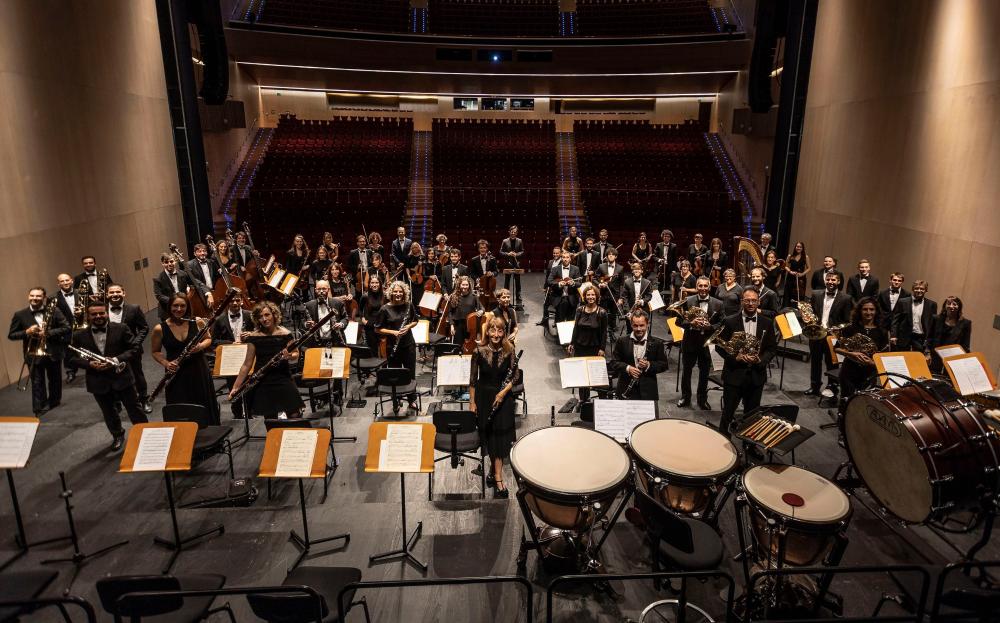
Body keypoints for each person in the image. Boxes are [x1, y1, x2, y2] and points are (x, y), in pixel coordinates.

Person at [67, 301, 148, 450]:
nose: (98, 316)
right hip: (97, 379)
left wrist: (116, 360)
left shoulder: (121, 328)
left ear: (106, 313)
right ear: (88, 316)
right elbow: (70, 358)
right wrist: (89, 364)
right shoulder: (79, 335)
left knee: (134, 409)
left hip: (122, 376)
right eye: (94, 314)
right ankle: (117, 435)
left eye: (101, 313)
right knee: (109, 412)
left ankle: (145, 433)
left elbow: (134, 349)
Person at [716, 288, 777, 435]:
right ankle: (723, 439)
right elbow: (719, 346)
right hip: (734, 374)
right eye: (747, 300)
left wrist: (760, 360)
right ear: (742, 301)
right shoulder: (729, 321)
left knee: (752, 416)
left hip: (756, 375)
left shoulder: (767, 322)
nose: (750, 303)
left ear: (759, 302)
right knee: (728, 413)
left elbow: (771, 348)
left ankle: (749, 444)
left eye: (754, 300)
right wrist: (735, 357)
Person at [150, 293, 219, 424]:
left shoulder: (197, 321)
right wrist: (166, 363)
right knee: (180, 405)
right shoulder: (160, 329)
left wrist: (200, 346)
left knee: (202, 401)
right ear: (169, 307)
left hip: (198, 369)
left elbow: (208, 339)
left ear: (188, 307)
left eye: (183, 306)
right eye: (175, 306)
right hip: (176, 372)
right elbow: (155, 351)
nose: (179, 309)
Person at [469, 317, 518, 498]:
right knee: (490, 437)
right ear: (487, 332)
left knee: (500, 438)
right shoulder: (478, 351)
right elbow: (473, 380)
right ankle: (494, 472)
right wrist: (472, 402)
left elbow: (515, 377)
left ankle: (497, 476)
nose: (496, 334)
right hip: (484, 398)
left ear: (504, 332)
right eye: (493, 330)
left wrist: (502, 393)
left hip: (503, 398)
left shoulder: (509, 350)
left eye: (500, 330)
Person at [229, 301, 305, 418]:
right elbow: (247, 364)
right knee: (270, 418)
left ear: (274, 315)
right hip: (262, 380)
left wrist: (289, 356)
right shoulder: (254, 337)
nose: (264, 319)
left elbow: (296, 353)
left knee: (294, 414)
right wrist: (236, 387)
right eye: (260, 317)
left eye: (267, 315)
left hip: (283, 377)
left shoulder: (285, 334)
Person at [8, 287, 70, 415]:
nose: (34, 298)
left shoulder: (54, 310)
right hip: (33, 353)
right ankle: (39, 407)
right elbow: (12, 335)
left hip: (53, 351)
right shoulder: (20, 315)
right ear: (28, 296)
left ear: (44, 297)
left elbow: (66, 327)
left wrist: (48, 333)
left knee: (55, 379)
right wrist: (27, 332)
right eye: (32, 295)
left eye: (38, 296)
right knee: (37, 382)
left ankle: (54, 401)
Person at [804, 272, 853, 398]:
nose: (830, 282)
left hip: (832, 335)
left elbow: (847, 320)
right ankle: (814, 386)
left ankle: (832, 387)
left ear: (839, 282)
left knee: (832, 363)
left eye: (834, 280)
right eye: (828, 279)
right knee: (815, 361)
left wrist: (837, 329)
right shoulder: (815, 294)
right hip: (816, 333)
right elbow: (811, 313)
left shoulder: (846, 298)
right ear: (825, 280)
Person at [375, 281, 420, 413]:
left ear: (404, 293)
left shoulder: (409, 305)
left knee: (410, 373)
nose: (398, 294)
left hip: (408, 345)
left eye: (400, 291)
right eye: (395, 291)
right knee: (395, 374)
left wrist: (408, 326)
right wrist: (393, 332)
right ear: (391, 293)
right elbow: (377, 329)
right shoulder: (384, 309)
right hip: (392, 346)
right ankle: (396, 399)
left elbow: (415, 320)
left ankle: (411, 399)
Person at [678, 277, 723, 410]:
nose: (703, 288)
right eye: (700, 286)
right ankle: (685, 397)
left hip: (706, 343)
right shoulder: (688, 301)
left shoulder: (718, 304)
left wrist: (710, 327)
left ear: (709, 287)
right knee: (687, 371)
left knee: (704, 373)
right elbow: (678, 321)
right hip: (690, 342)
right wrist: (690, 323)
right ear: (696, 287)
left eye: (705, 286)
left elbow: (722, 323)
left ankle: (702, 399)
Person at [106, 284, 152, 413]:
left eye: (118, 292)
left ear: (123, 293)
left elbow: (144, 328)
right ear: (107, 295)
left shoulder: (134, 309)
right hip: (111, 351)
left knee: (137, 375)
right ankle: (117, 402)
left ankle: (144, 400)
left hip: (132, 350)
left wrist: (134, 343)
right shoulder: (102, 310)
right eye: (111, 292)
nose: (115, 294)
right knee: (112, 376)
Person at [836, 297, 890, 405]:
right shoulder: (850, 328)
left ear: (876, 311)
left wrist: (871, 362)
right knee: (846, 402)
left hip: (869, 372)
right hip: (849, 371)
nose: (868, 312)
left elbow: (884, 357)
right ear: (859, 311)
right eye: (865, 309)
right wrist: (851, 354)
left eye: (872, 309)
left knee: (864, 404)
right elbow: (836, 348)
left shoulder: (882, 332)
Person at [608, 310, 668, 400]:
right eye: (635, 325)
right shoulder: (622, 341)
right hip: (625, 387)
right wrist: (628, 368)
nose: (639, 329)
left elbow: (664, 365)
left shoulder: (657, 343)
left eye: (642, 325)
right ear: (631, 325)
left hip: (648, 391)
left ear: (647, 324)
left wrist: (649, 365)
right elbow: (613, 362)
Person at [211, 292, 255, 418]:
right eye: (231, 301)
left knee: (250, 386)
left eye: (237, 300)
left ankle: (250, 413)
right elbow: (214, 342)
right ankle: (237, 414)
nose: (235, 303)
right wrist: (231, 343)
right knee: (233, 386)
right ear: (226, 302)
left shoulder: (250, 315)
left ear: (242, 300)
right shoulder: (219, 320)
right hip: (230, 358)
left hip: (248, 355)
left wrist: (251, 334)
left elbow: (260, 333)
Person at [569, 285, 608, 403]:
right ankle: (583, 399)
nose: (591, 297)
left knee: (595, 376)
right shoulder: (580, 310)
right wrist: (572, 343)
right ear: (584, 296)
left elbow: (604, 332)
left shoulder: (602, 312)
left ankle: (601, 401)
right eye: (588, 295)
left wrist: (602, 348)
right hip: (580, 347)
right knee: (582, 376)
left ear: (597, 296)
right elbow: (576, 328)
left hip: (594, 348)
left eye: (593, 295)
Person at [152, 252, 207, 320]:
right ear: (162, 263)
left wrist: (207, 293)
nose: (169, 264)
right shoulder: (158, 279)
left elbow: (196, 283)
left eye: (171, 261)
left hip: (184, 308)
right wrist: (174, 301)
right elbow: (159, 295)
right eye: (166, 262)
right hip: (167, 310)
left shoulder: (183, 274)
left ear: (175, 261)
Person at [927, 296, 972, 373]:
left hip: (953, 359)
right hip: (935, 356)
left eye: (955, 304)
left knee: (948, 378)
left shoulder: (966, 323)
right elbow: (929, 338)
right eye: (949, 303)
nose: (951, 306)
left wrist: (962, 360)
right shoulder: (936, 319)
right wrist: (927, 353)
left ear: (959, 307)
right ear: (945, 306)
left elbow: (965, 345)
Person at [55, 273, 82, 383]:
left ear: (71, 281)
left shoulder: (81, 292)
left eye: (67, 280)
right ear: (58, 284)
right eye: (62, 281)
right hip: (66, 328)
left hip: (82, 325)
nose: (65, 283)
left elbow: (91, 307)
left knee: (89, 348)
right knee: (68, 351)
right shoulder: (53, 298)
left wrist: (82, 312)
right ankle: (70, 372)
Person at [896, 280, 936, 353]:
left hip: (920, 337)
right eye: (916, 288)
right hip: (904, 335)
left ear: (926, 290)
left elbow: (932, 324)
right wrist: (893, 335)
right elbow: (896, 320)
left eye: (922, 289)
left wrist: (928, 339)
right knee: (902, 357)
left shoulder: (932, 304)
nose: (919, 290)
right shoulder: (902, 302)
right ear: (912, 289)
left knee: (918, 357)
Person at [304, 280, 348, 347]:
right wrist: (306, 324)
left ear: (328, 289)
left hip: (336, 341)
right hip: (316, 343)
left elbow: (345, 318)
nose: (321, 291)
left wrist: (341, 324)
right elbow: (302, 322)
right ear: (315, 290)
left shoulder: (338, 303)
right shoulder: (308, 305)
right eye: (319, 289)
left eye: (324, 289)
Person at [596, 247, 626, 335]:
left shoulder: (620, 268)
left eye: (613, 255)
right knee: (603, 313)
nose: (611, 256)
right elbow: (595, 278)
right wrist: (599, 284)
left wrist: (621, 298)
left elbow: (622, 284)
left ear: (616, 256)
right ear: (606, 256)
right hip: (604, 294)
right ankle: (602, 331)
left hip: (615, 295)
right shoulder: (601, 266)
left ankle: (612, 331)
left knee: (613, 314)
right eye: (609, 255)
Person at [547, 250, 582, 322]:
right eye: (563, 257)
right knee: (559, 321)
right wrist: (559, 284)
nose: (565, 259)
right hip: (559, 298)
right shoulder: (555, 269)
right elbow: (549, 281)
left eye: (567, 257)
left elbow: (579, 283)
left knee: (571, 321)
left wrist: (573, 283)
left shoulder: (576, 269)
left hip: (572, 298)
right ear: (561, 258)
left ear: (570, 259)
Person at [449, 275, 484, 347]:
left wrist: (481, 311)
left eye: (466, 285)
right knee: (458, 346)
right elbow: (450, 312)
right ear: (459, 285)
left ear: (469, 285)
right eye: (463, 285)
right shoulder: (454, 296)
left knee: (469, 346)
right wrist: (452, 325)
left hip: (470, 325)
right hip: (458, 325)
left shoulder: (474, 296)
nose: (465, 287)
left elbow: (482, 308)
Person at [877, 272, 909, 346]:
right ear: (890, 280)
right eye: (894, 280)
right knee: (882, 344)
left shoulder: (907, 294)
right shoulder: (882, 293)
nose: (896, 282)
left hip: (898, 323)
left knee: (896, 346)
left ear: (902, 282)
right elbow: (878, 307)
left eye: (899, 281)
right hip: (883, 322)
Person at [538, 246, 564, 326]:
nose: (555, 254)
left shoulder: (563, 262)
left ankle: (557, 322)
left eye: (557, 253)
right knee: (545, 304)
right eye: (554, 253)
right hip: (549, 287)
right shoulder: (550, 262)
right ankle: (545, 320)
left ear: (560, 254)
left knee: (557, 305)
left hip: (558, 287)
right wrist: (545, 286)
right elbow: (547, 276)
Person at [500, 226, 524, 306]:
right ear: (509, 232)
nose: (513, 233)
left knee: (518, 283)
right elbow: (501, 252)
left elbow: (522, 251)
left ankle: (518, 299)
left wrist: (516, 254)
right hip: (508, 264)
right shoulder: (505, 241)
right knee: (507, 282)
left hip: (517, 264)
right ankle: (505, 297)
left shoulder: (519, 241)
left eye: (515, 232)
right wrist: (508, 254)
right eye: (512, 232)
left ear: (517, 233)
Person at [360, 274, 385, 350]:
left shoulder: (385, 296)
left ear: (380, 284)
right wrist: (363, 319)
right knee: (372, 349)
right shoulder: (365, 296)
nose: (374, 285)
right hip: (369, 326)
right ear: (369, 284)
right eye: (372, 283)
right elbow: (360, 309)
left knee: (383, 349)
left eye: (377, 282)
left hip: (381, 325)